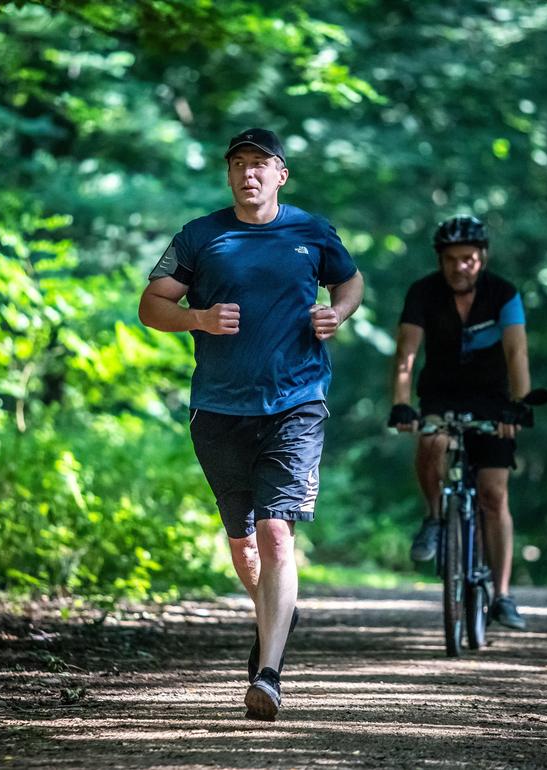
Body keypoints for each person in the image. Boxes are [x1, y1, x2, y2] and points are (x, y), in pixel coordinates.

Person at [138, 128, 364, 721]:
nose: (249, 174)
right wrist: (200, 319)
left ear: (281, 174)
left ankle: (269, 673)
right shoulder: (200, 236)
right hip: (219, 408)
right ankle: (275, 613)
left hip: (296, 402)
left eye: (261, 165)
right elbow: (151, 304)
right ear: (230, 174)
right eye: (239, 164)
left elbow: (351, 279)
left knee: (276, 532)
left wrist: (336, 312)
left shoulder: (311, 231)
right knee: (244, 550)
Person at [388, 215, 531, 630]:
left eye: (467, 258)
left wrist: (518, 406)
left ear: (482, 258)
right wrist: (401, 403)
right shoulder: (423, 292)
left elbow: (517, 353)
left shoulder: (503, 293)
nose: (459, 266)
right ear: (440, 260)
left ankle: (502, 594)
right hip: (441, 394)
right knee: (431, 443)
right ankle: (435, 517)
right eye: (451, 259)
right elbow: (406, 355)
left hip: (493, 399)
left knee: (493, 494)